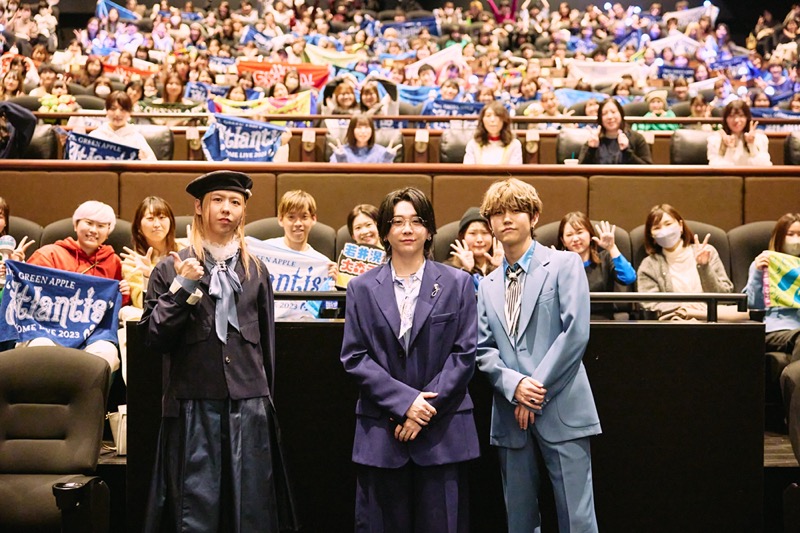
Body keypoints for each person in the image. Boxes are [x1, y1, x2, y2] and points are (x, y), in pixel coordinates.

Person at [140, 170, 297, 533]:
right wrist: (183, 287)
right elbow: (154, 336)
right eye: (218, 201)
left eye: (235, 202)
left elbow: (268, 346)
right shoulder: (170, 267)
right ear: (199, 206)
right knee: (196, 512)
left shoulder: (256, 271)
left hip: (249, 403)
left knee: (252, 511)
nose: (227, 209)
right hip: (194, 404)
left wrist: (266, 401)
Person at [340, 186, 479, 532]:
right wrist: (405, 403)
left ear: (429, 230)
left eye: (417, 221)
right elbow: (355, 356)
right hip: (382, 434)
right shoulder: (361, 288)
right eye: (397, 221)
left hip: (443, 432)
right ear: (385, 231)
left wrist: (423, 410)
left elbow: (464, 354)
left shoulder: (458, 283)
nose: (407, 229)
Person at [476, 178, 601, 532]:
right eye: (498, 213)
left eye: (516, 210)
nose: (506, 218)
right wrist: (515, 387)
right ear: (490, 224)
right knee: (519, 520)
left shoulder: (564, 264)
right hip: (510, 415)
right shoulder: (486, 285)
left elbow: (575, 333)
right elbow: (483, 349)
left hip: (562, 408)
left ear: (534, 217)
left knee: (577, 520)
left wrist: (534, 391)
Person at [25, 200, 129, 371]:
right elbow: (26, 294)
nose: (94, 230)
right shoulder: (48, 254)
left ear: (108, 232)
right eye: (89, 223)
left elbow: (114, 306)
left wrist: (124, 293)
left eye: (101, 226)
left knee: (107, 354)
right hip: (47, 329)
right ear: (75, 225)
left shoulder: (113, 261)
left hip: (93, 334)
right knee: (40, 348)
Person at [745, 214, 800, 461]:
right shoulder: (764, 263)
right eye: (791, 234)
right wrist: (758, 274)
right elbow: (753, 305)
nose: (796, 239)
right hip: (773, 329)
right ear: (779, 236)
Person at [636, 204, 736, 321]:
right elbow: (649, 304)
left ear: (680, 225)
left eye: (668, 224)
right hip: (677, 320)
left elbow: (725, 297)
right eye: (657, 228)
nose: (664, 231)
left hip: (712, 318)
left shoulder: (707, 251)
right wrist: (682, 305)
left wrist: (704, 267)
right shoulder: (649, 265)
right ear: (651, 235)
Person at [558, 211, 636, 319]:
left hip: (601, 322)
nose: (575, 239)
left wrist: (612, 248)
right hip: (569, 324)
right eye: (569, 235)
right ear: (563, 241)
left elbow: (629, 278)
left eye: (579, 232)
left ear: (590, 235)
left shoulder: (605, 258)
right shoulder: (559, 265)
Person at [578, 98, 653, 164]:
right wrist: (591, 149)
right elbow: (581, 170)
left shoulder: (637, 138)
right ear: (600, 118)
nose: (610, 117)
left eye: (613, 112)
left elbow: (647, 169)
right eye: (604, 113)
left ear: (621, 114)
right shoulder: (593, 140)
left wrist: (627, 151)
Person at [89, 91, 157, 160]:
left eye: (123, 109)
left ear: (129, 112)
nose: (117, 114)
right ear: (106, 110)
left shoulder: (137, 138)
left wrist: (144, 161)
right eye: (113, 108)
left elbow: (153, 163)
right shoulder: (95, 136)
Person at [446, 206, 502, 290]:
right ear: (462, 236)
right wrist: (466, 270)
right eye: (473, 233)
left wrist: (501, 268)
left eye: (485, 233)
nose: (479, 239)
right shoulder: (449, 269)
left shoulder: (503, 264)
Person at [707, 100, 772, 167]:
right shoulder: (715, 139)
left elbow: (765, 166)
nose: (736, 120)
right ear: (725, 119)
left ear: (747, 118)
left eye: (741, 116)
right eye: (731, 116)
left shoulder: (760, 138)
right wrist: (729, 149)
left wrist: (751, 145)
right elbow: (714, 167)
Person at [463, 100, 523, 164]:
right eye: (488, 115)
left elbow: (515, 169)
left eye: (497, 115)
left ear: (504, 120)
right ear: (482, 120)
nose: (492, 120)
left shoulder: (514, 144)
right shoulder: (473, 144)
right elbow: (468, 169)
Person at [329, 114, 400, 163]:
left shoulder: (382, 152)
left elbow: (387, 178)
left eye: (367, 127)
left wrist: (387, 159)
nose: (363, 131)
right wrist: (341, 160)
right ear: (351, 130)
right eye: (359, 127)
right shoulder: (341, 152)